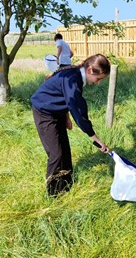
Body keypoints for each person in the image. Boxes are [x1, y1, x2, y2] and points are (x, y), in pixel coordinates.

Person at [28, 54, 112, 196]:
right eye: (99, 79)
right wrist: (96, 139)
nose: (98, 82)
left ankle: (66, 184)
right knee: (56, 154)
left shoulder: (77, 76)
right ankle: (53, 193)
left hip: (56, 111)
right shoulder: (73, 80)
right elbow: (79, 112)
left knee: (65, 151)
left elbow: (64, 97)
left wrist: (65, 116)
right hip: (44, 112)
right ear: (90, 70)